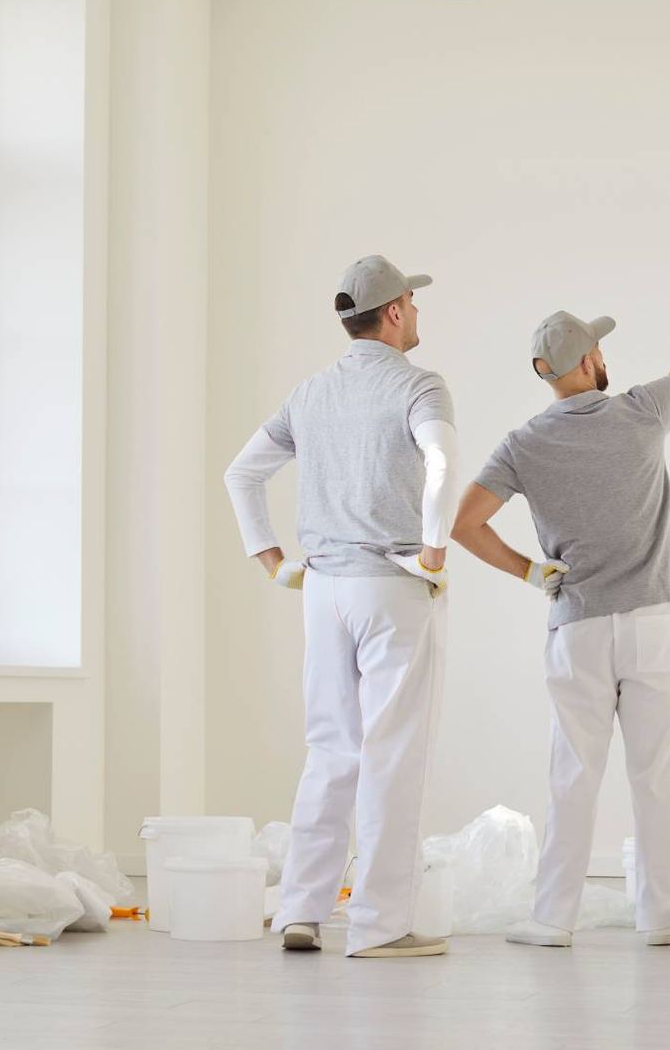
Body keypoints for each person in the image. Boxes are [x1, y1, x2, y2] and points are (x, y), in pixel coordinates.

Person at [451, 260, 670, 947]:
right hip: (655, 623)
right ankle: (661, 917)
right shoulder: (641, 411)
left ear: (547, 371)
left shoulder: (523, 444)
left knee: (573, 774)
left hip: (576, 626)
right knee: (657, 773)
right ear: (592, 360)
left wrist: (527, 570)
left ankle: (551, 919)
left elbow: (463, 523)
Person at [223, 255, 457, 959]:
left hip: (322, 590)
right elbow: (443, 464)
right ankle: (382, 923)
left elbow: (241, 474)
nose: (416, 312)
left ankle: (301, 909)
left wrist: (271, 559)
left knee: (330, 750)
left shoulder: (311, 393)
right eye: (411, 302)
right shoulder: (420, 384)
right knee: (392, 753)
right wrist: (436, 551)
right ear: (392, 312)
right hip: (391, 583)